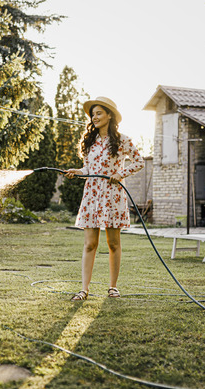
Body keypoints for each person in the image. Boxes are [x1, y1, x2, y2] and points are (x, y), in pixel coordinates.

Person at [65, 96, 144, 300]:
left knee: (113, 243)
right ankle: (84, 289)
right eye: (93, 114)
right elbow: (89, 169)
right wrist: (78, 171)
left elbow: (139, 162)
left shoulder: (122, 140)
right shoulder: (89, 142)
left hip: (113, 195)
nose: (94, 117)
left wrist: (120, 174)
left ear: (110, 115)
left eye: (99, 113)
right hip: (92, 194)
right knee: (90, 244)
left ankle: (113, 287)